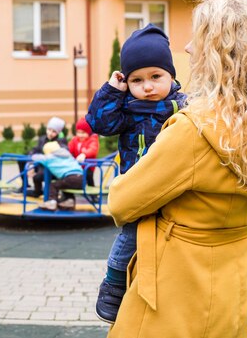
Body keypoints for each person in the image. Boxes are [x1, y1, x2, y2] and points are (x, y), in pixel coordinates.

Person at [106, 0, 247, 338]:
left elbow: (122, 202)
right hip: (235, 283)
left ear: (219, 52)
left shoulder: (195, 130)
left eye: (196, 38)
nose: (186, 48)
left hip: (178, 288)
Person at [86, 24, 187, 323]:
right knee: (130, 235)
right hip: (138, 187)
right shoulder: (126, 110)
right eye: (136, 80)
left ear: (171, 76)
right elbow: (98, 123)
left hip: (174, 187)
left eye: (156, 77)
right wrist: (111, 91)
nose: (147, 86)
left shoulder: (182, 106)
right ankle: (114, 283)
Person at [17, 116, 68, 197]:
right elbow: (35, 150)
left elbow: (58, 155)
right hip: (40, 163)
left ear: (58, 133)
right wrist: (30, 162)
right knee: (22, 160)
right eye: (49, 130)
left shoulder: (61, 142)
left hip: (51, 166)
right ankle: (25, 184)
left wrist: (36, 163)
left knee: (38, 176)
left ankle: (40, 191)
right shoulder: (43, 139)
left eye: (54, 131)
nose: (50, 133)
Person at [30, 141, 84, 211]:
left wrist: (32, 156)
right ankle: (69, 200)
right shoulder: (67, 155)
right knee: (64, 184)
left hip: (71, 177)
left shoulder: (49, 158)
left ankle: (52, 202)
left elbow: (36, 157)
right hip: (82, 178)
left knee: (53, 185)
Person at [68, 117, 99, 186]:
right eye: (78, 132)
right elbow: (69, 148)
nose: (80, 135)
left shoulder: (92, 139)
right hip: (77, 164)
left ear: (89, 132)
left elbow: (93, 149)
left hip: (88, 165)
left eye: (83, 133)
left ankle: (92, 190)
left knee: (88, 175)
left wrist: (84, 154)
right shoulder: (75, 140)